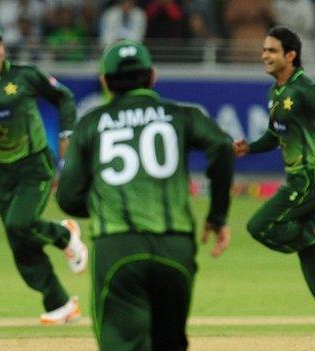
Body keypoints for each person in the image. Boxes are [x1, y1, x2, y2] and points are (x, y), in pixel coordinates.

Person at [56, 39, 234, 351]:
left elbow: (68, 197)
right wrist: (217, 216)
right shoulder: (182, 114)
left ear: (105, 81)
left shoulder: (91, 124)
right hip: (175, 246)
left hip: (118, 247)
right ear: (152, 76)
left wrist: (106, 203)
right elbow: (221, 145)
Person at [233, 25, 315, 333]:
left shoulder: (306, 88)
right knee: (307, 251)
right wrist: (247, 148)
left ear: (290, 56)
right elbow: (274, 135)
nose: (264, 55)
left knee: (260, 225)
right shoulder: (276, 92)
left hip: (313, 174)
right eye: (264, 50)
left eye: (272, 51)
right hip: (303, 175)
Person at [0, 23, 86, 324]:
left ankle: (65, 235)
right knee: (19, 241)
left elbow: (65, 97)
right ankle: (60, 303)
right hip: (3, 171)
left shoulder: (24, 75)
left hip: (35, 163)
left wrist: (66, 135)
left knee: (20, 222)